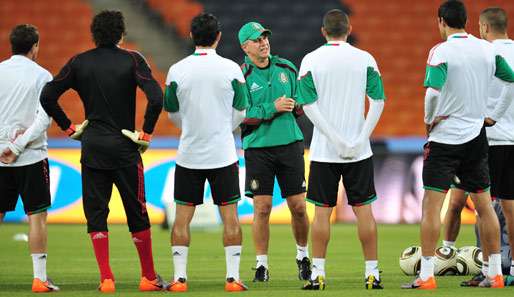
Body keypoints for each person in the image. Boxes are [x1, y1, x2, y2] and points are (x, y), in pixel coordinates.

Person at [39, 10, 166, 292]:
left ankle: (106, 278)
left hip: (93, 146)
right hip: (125, 148)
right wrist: (146, 131)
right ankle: (148, 277)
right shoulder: (133, 60)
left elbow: (47, 95)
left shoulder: (79, 62)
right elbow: (157, 97)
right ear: (121, 33)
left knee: (96, 214)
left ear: (94, 34)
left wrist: (69, 128)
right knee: (137, 212)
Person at [401, 0, 514, 289]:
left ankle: (426, 275)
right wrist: (495, 115)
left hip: (445, 138)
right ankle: (495, 273)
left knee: (431, 206)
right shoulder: (486, 50)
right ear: (467, 21)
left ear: (441, 21)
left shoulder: (441, 51)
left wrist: (429, 120)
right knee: (484, 206)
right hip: (477, 137)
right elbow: (511, 80)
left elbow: (431, 94)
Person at [297, 9, 385, 290]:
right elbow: (378, 101)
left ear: (323, 31)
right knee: (364, 211)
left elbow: (308, 105)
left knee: (321, 213)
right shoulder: (365, 59)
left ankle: (318, 274)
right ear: (349, 30)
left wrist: (334, 139)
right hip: (359, 151)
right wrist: (361, 137)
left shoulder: (311, 60)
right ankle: (372, 273)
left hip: (325, 151)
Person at [164, 13, 249, 292]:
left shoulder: (176, 70)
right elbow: (241, 111)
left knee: (181, 217)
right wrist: (224, 128)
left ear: (191, 36)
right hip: (223, 153)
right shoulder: (232, 69)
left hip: (189, 153)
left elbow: (172, 112)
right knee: (230, 217)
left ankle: (179, 279)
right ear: (219, 37)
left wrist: (189, 127)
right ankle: (233, 279)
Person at [442, 6, 514, 287]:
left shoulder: (483, 53)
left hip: (486, 139)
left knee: (482, 205)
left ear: (483, 27)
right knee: (509, 206)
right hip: (512, 139)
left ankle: (488, 268)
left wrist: (492, 116)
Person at [237, 21, 311, 282]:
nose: (264, 42)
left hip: (290, 143)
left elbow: (301, 102)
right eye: (257, 40)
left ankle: (303, 256)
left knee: (299, 207)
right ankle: (261, 264)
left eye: (265, 37)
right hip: (258, 149)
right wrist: (273, 107)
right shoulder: (241, 76)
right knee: (262, 208)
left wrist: (298, 104)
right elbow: (241, 116)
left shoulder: (287, 68)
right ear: (245, 47)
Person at [0, 24, 59, 293]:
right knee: (37, 217)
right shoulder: (42, 75)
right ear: (35, 46)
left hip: (0, 157)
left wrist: (5, 144)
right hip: (32, 156)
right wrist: (19, 144)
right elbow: (44, 118)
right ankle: (39, 279)